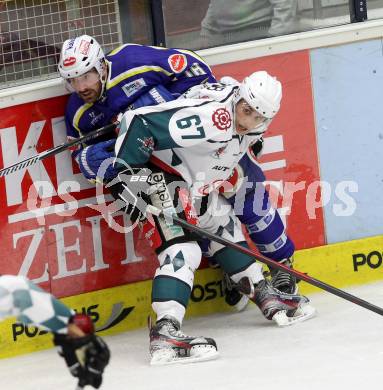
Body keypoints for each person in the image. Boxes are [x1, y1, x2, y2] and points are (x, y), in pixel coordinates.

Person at [58, 35, 301, 311]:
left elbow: (190, 65)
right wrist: (112, 161)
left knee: (248, 195)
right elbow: (84, 159)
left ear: (101, 65)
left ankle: (282, 266)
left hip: (199, 140)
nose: (81, 87)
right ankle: (233, 270)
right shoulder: (77, 112)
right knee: (197, 215)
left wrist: (182, 106)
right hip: (168, 163)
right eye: (72, 80)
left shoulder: (131, 60)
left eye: (86, 76)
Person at [112, 70, 315, 364]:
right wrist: (125, 176)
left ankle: (262, 291)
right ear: (240, 99)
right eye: (246, 111)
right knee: (184, 251)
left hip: (193, 186)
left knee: (222, 221)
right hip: (162, 180)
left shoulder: (252, 123)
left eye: (258, 117)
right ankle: (165, 331)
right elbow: (139, 122)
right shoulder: (215, 120)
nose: (248, 121)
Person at [0, 274, 110, 388]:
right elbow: (71, 333)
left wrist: (79, 371)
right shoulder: (54, 316)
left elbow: (67, 345)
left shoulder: (60, 321)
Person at [200, 0, 299, 47]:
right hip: (225, 41)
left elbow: (285, 6)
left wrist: (274, 42)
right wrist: (205, 35)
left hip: (260, 37)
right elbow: (215, 6)